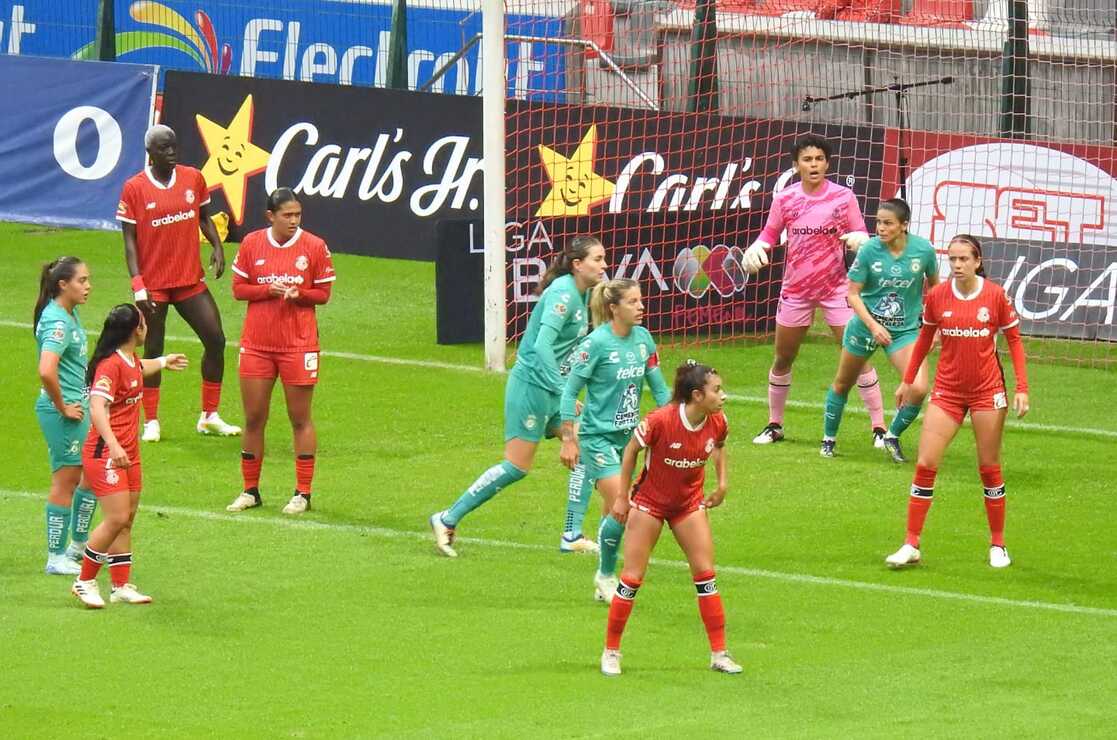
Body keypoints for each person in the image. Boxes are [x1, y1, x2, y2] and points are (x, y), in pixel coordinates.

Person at [429, 236, 608, 557]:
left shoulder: (582, 294)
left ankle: (572, 534)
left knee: (584, 446)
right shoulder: (564, 295)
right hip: (532, 388)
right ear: (577, 264)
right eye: (597, 259)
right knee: (516, 466)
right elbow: (541, 346)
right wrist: (564, 391)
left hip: (551, 388)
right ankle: (446, 518)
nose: (604, 265)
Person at [884, 234, 1029, 570]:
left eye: (964, 259)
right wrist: (908, 380)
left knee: (989, 468)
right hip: (947, 391)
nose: (957, 265)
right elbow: (924, 339)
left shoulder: (995, 296)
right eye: (952, 259)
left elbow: (1014, 341)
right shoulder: (937, 296)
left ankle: (998, 544)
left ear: (978, 261)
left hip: (987, 392)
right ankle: (911, 544)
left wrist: (1022, 388)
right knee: (925, 463)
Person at [742, 134, 886, 447]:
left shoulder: (843, 197)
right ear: (797, 165)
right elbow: (769, 234)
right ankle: (775, 425)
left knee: (857, 356)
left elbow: (862, 233)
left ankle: (879, 428)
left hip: (837, 289)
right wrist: (756, 248)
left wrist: (861, 240)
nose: (814, 164)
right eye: (807, 159)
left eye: (819, 159)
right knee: (784, 357)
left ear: (827, 163)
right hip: (796, 290)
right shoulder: (785, 199)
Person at [600, 362, 741, 677]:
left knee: (706, 576)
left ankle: (719, 654)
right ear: (697, 395)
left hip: (688, 504)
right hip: (649, 504)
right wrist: (622, 497)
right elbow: (631, 451)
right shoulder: (660, 421)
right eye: (717, 390)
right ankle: (611, 651)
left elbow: (719, 447)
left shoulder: (718, 421)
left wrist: (722, 484)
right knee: (632, 578)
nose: (723, 396)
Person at [116, 123, 240, 442]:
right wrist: (138, 285)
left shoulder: (193, 178)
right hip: (154, 284)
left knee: (216, 339)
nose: (172, 152)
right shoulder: (134, 188)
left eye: (174, 145)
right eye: (164, 148)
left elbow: (204, 217)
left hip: (188, 280)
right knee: (153, 348)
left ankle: (209, 416)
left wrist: (217, 247)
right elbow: (129, 241)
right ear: (150, 152)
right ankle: (151, 421)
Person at [557, 279, 671, 601]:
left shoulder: (644, 340)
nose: (641, 307)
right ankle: (606, 576)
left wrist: (674, 425)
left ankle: (603, 578)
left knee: (614, 512)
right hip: (597, 439)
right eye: (632, 302)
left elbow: (659, 389)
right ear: (613, 308)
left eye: (640, 300)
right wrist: (568, 439)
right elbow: (569, 392)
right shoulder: (595, 344)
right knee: (629, 508)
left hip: (629, 441)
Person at [225, 188, 336, 515]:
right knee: (253, 418)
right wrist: (266, 290)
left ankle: (303, 493)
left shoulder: (314, 246)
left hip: (298, 345)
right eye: (287, 215)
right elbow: (238, 289)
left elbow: (324, 294)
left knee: (299, 418)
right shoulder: (251, 243)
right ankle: (250, 490)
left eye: (297, 214)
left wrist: (300, 294)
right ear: (270, 216)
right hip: (257, 345)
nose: (294, 220)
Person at [71, 305, 189, 608]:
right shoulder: (109, 366)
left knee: (127, 519)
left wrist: (163, 361)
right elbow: (97, 407)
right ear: (136, 330)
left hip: (128, 453)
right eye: (144, 322)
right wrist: (113, 444)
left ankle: (120, 585)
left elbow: (137, 370)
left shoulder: (128, 359)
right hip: (106, 453)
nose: (147, 326)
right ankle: (84, 581)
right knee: (116, 518)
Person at [820, 199, 939, 461]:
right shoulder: (869, 251)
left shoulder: (923, 250)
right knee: (843, 383)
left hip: (904, 332)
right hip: (865, 328)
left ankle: (891, 435)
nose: (881, 228)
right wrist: (873, 326)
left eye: (888, 223)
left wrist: (935, 328)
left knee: (919, 388)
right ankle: (828, 439)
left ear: (904, 225)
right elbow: (853, 294)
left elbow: (935, 290)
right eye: (878, 223)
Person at [34, 257, 98, 575]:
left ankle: (78, 545)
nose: (88, 286)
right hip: (64, 414)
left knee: (91, 476)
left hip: (77, 408)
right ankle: (56, 557)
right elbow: (46, 370)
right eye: (81, 281)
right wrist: (62, 407)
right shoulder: (58, 322)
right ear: (63, 284)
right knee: (65, 481)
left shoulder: (68, 313)